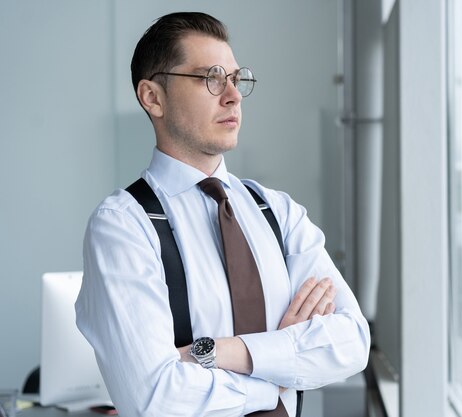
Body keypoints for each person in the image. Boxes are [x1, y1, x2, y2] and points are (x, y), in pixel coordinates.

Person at [75, 11, 370, 417]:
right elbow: (155, 398)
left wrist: (217, 353)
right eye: (209, 78)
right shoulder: (123, 226)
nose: (232, 95)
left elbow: (352, 341)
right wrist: (279, 373)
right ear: (152, 97)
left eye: (235, 78)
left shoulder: (278, 212)